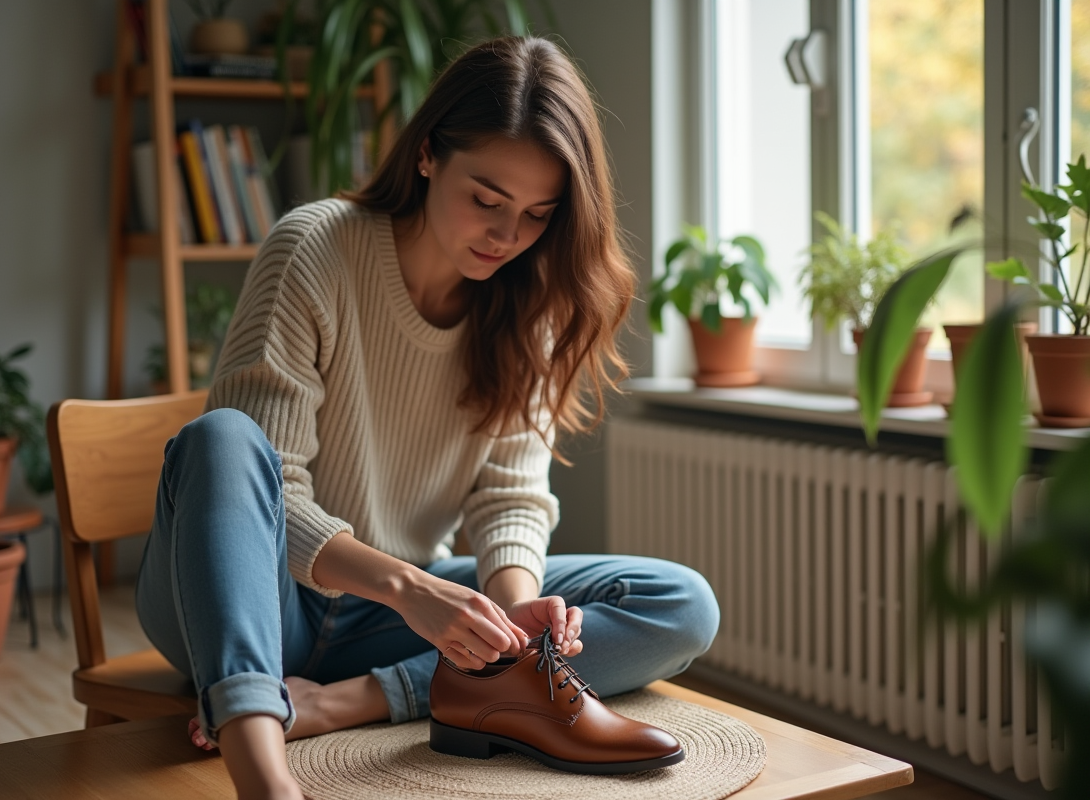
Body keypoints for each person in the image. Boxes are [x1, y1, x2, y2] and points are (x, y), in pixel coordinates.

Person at [135, 35, 721, 800]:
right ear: (426, 155)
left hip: (392, 617)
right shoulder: (314, 251)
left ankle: (360, 699)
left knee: (678, 602)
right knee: (220, 439)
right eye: (486, 199)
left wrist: (516, 616)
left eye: (538, 214)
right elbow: (271, 490)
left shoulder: (527, 302)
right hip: (255, 602)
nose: (508, 236)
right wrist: (410, 590)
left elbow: (509, 498)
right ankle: (263, 773)